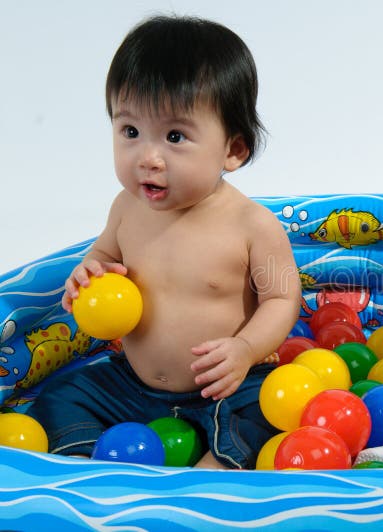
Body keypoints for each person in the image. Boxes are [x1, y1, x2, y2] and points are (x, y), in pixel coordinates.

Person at [27, 15, 301, 469]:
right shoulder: (125, 208)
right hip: (134, 388)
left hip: (225, 386)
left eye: (175, 137)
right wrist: (88, 272)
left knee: (268, 411)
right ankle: (91, 462)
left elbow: (282, 298)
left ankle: (215, 465)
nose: (148, 158)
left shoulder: (253, 225)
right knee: (62, 396)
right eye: (130, 132)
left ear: (233, 150)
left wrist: (245, 350)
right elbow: (103, 255)